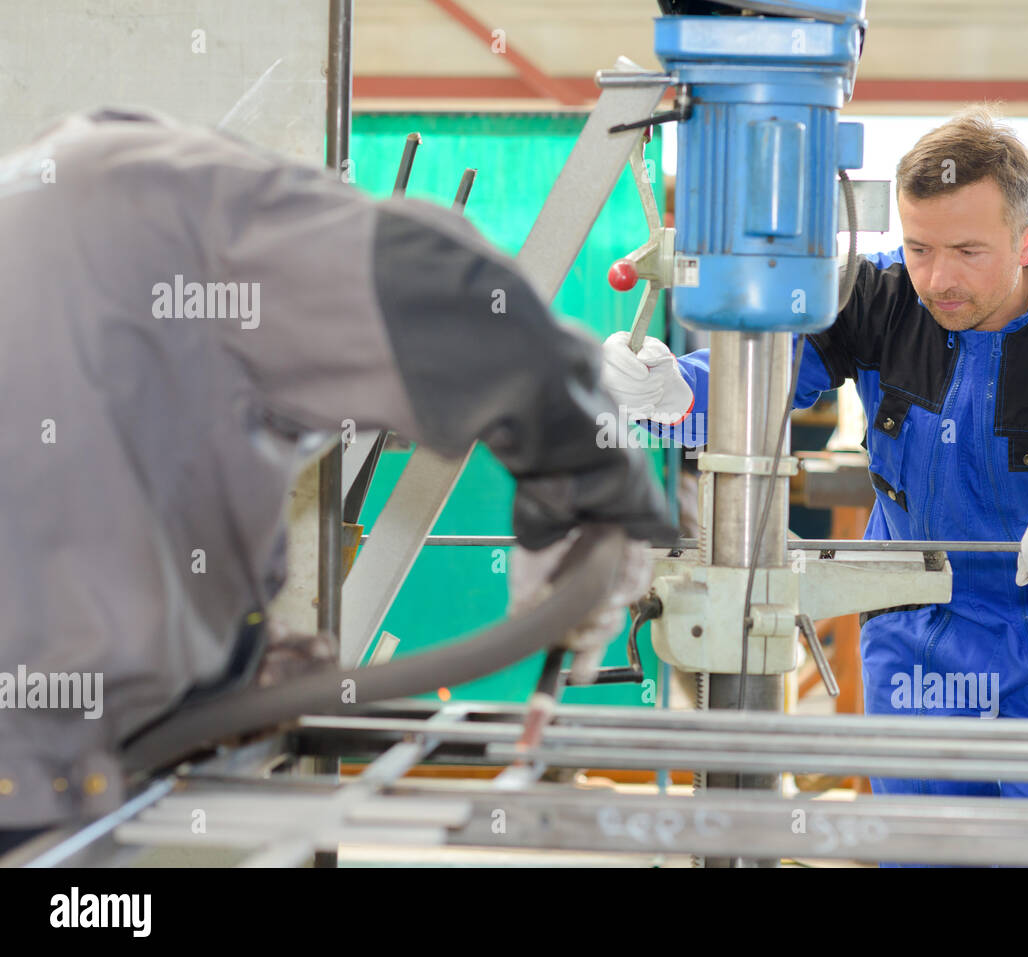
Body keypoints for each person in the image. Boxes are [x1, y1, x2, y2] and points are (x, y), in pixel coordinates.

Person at [0, 108, 673, 849]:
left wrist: (233, 665)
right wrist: (592, 486)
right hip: (42, 771)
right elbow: (454, 292)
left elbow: (102, 498)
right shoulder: (173, 203)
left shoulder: (48, 201)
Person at [602, 106, 1028, 807]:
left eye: (967, 250)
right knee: (920, 851)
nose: (937, 280)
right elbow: (765, 381)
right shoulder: (877, 296)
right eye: (919, 247)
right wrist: (680, 393)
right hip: (915, 653)